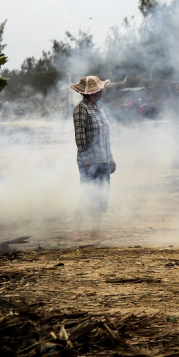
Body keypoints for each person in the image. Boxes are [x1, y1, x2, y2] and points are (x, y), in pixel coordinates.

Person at [71, 75, 117, 241]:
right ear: (92, 92)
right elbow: (80, 137)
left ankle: (95, 229)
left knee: (101, 194)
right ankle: (76, 230)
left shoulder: (99, 108)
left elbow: (105, 136)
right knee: (88, 194)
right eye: (99, 89)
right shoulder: (81, 109)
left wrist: (110, 158)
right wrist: (86, 158)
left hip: (103, 158)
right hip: (89, 161)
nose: (101, 91)